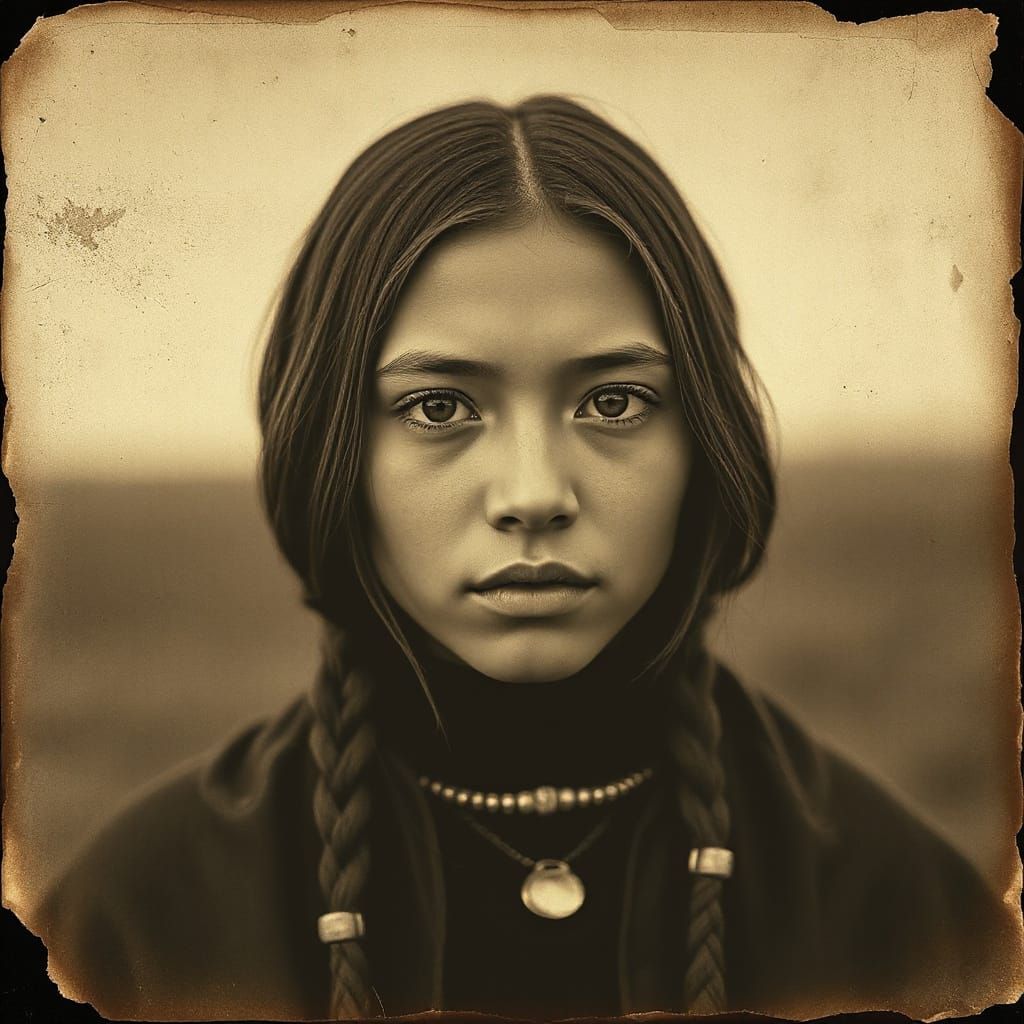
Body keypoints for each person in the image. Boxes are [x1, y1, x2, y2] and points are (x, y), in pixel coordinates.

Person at [30, 96, 1015, 1021]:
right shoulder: (136, 921)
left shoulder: (901, 908)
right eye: (439, 406)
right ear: (330, 445)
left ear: (706, 436)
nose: (535, 493)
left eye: (614, 401)